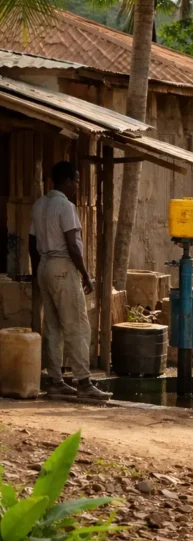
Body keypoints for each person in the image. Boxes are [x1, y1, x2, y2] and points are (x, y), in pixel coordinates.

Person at [29, 162, 111, 400]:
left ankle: (55, 380)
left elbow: (32, 243)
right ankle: (84, 382)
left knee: (53, 327)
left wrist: (38, 272)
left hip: (44, 266)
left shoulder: (39, 205)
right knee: (77, 326)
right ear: (66, 182)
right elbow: (73, 245)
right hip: (63, 266)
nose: (77, 185)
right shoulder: (66, 206)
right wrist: (85, 274)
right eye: (75, 181)